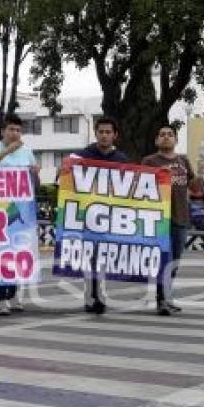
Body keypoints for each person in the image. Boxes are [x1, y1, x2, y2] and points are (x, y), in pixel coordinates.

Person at [0, 113, 40, 316]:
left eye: (18, 130)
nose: (15, 133)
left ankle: (14, 294)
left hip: (22, 211)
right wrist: (8, 151)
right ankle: (0, 299)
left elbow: (35, 183)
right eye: (11, 129)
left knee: (17, 252)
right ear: (2, 131)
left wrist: (34, 173)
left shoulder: (27, 151)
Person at [75, 116, 128, 314]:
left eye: (108, 132)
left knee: (104, 258)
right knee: (89, 258)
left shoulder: (122, 159)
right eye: (101, 132)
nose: (104, 135)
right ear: (95, 133)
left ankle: (101, 294)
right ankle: (90, 296)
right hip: (87, 216)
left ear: (115, 135)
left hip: (111, 218)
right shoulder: (82, 156)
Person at [142, 124, 196, 316]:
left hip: (181, 218)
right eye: (162, 134)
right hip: (158, 220)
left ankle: (167, 297)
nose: (166, 137)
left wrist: (200, 179)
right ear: (157, 140)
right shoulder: (149, 161)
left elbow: (195, 188)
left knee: (175, 261)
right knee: (163, 261)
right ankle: (162, 300)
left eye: (170, 135)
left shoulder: (184, 161)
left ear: (176, 139)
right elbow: (139, 188)